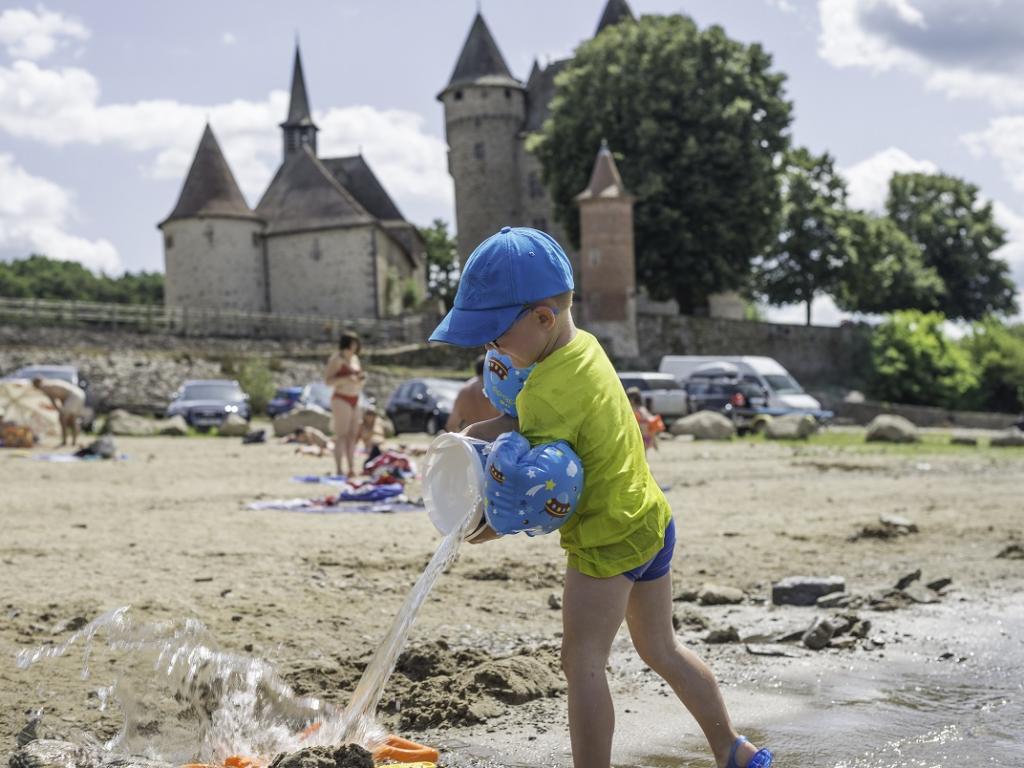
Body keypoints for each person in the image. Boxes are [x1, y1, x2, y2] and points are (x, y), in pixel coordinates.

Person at [428, 227, 772, 768]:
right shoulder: (582, 346)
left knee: (582, 661)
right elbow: (521, 420)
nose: (488, 348)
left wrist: (481, 525)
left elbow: (532, 489)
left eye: (494, 335)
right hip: (650, 520)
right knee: (663, 649)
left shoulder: (545, 391)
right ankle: (733, 748)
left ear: (542, 317)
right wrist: (481, 431)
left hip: (605, 540)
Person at [324, 331, 366, 477]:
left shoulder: (355, 358)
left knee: (353, 435)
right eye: (353, 343)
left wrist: (359, 379)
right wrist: (347, 379)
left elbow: (357, 377)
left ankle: (351, 468)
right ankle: (339, 469)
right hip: (341, 398)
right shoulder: (336, 359)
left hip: (355, 397)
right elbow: (328, 381)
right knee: (342, 435)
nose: (355, 346)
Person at [445, 355, 500, 432]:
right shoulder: (496, 390)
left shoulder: (464, 391)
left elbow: (451, 425)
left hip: (472, 441)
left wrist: (464, 439)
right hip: (495, 441)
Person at [32, 377, 86, 447]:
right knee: (72, 419)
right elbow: (62, 397)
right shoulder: (51, 383)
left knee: (63, 419)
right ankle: (73, 442)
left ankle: (65, 442)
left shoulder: (45, 387)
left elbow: (54, 401)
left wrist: (59, 411)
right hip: (79, 394)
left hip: (73, 397)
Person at [627, 386, 663, 454]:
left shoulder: (636, 410)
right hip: (645, 438)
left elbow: (646, 424)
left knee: (640, 455)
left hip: (641, 437)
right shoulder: (642, 409)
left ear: (632, 400)